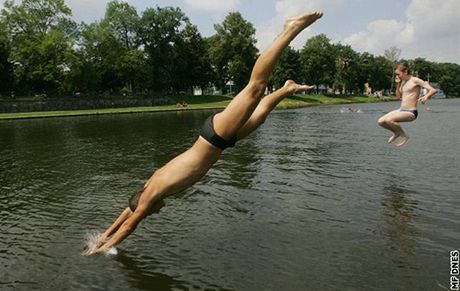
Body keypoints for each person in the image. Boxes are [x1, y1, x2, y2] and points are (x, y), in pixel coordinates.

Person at [82, 11, 323, 256]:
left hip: (214, 136)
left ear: (148, 204)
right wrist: (104, 234)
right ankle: (286, 89)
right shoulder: (147, 188)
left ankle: (290, 29)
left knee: (255, 87)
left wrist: (103, 249)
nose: (159, 210)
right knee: (259, 117)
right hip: (219, 141)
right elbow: (128, 211)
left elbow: (130, 224)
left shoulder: (149, 197)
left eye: (154, 210)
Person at [377, 62, 436, 146]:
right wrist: (398, 84)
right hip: (401, 110)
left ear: (405, 72)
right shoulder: (403, 82)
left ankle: (404, 135)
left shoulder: (415, 80)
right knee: (381, 121)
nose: (397, 76)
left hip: (411, 112)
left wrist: (426, 96)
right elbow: (398, 96)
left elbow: (433, 90)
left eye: (398, 74)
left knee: (389, 120)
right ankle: (396, 133)